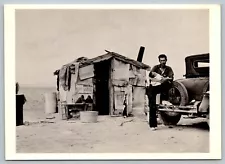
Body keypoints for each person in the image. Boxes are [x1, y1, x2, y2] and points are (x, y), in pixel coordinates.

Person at [147, 54, 174, 131]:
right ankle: (153, 125)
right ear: (159, 61)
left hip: (163, 88)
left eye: (164, 60)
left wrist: (164, 80)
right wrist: (160, 79)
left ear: (166, 60)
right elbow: (151, 76)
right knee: (152, 104)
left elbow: (170, 78)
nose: (163, 62)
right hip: (154, 87)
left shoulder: (169, 69)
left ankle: (166, 119)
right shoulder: (156, 67)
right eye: (161, 60)